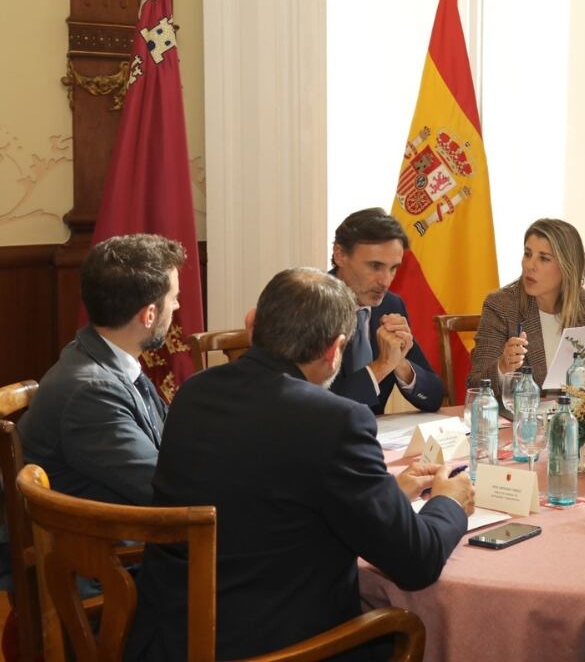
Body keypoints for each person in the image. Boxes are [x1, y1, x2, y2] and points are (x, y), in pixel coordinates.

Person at [127, 268, 474, 661]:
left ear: (254, 324)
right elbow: (417, 562)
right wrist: (447, 501)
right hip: (284, 649)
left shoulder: (195, 392)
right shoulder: (335, 420)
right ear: (335, 350)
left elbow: (269, 498)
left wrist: (387, 495)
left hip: (174, 637)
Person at [18, 233, 182, 505]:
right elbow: (162, 490)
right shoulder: (93, 392)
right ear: (149, 314)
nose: (177, 305)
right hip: (100, 543)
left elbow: (171, 438)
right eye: (174, 297)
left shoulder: (102, 355)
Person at [469, 218, 585, 393]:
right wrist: (503, 366)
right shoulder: (502, 306)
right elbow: (476, 383)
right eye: (527, 254)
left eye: (544, 258)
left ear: (568, 267)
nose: (530, 265)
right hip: (522, 418)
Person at [328, 207, 444, 413]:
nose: (386, 281)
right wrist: (382, 366)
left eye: (393, 268)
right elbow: (322, 408)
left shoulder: (391, 305)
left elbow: (434, 397)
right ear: (340, 255)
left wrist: (399, 363)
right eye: (375, 266)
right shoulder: (308, 306)